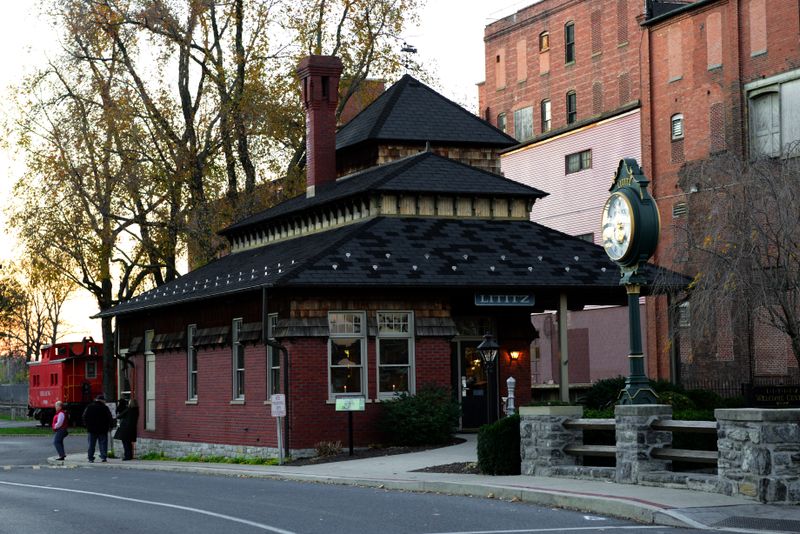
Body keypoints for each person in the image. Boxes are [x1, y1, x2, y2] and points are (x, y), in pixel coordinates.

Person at [82, 394, 113, 463]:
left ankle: (90, 458)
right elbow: (109, 418)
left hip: (91, 429)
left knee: (91, 444)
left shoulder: (89, 407)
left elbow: (84, 416)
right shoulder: (105, 408)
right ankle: (103, 457)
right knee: (103, 443)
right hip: (103, 429)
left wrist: (86, 425)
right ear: (102, 400)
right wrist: (110, 426)